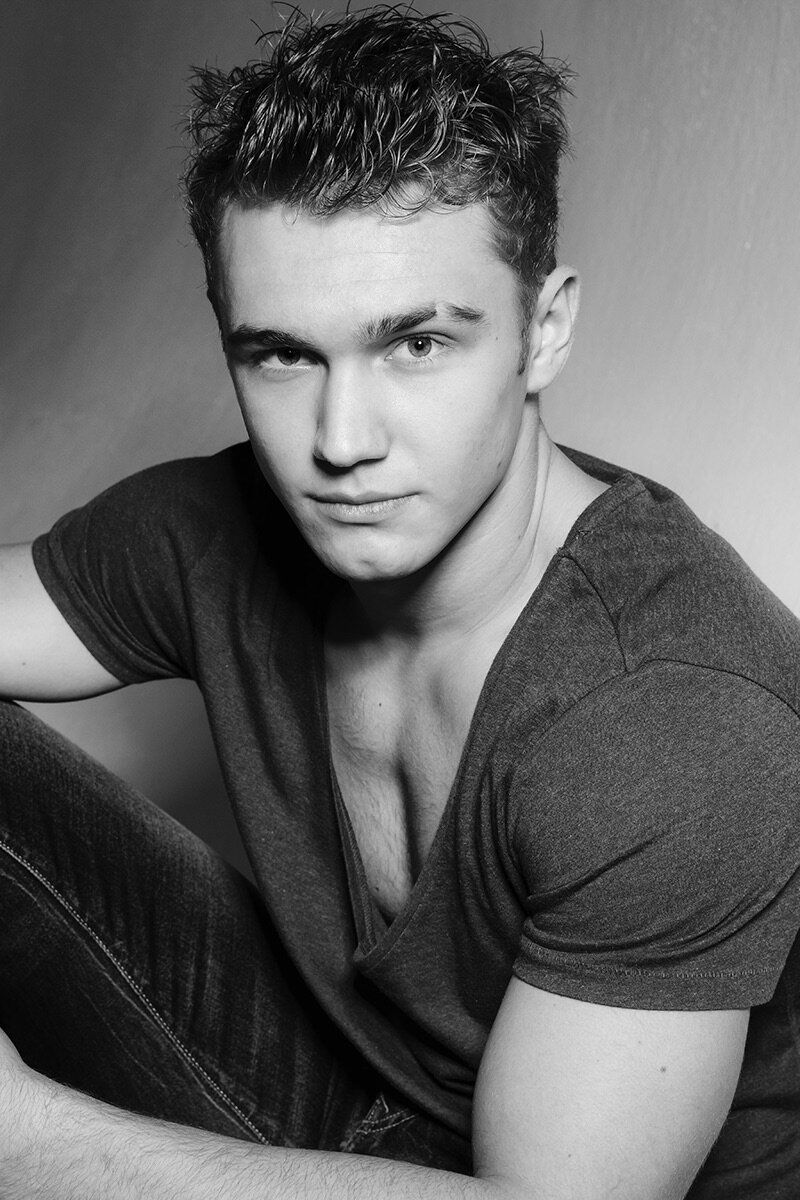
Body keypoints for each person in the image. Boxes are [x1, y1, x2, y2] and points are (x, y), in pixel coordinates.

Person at [1, 6, 798, 1197]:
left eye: (415, 344)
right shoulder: (217, 530)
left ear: (542, 330)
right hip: (348, 1092)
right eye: (282, 354)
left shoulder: (677, 714)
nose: (340, 440)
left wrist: (26, 1140)